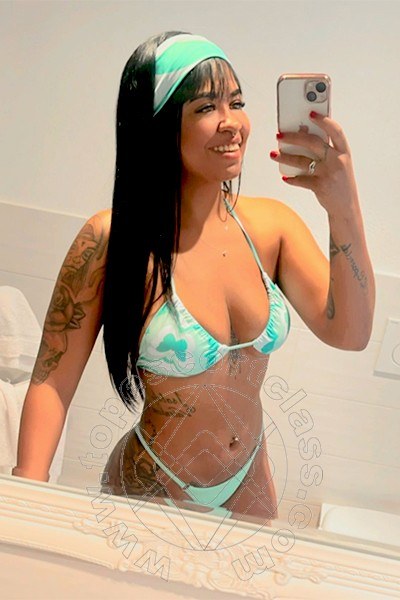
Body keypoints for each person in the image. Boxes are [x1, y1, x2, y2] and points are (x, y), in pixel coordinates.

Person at [12, 31, 375, 523]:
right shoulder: (111, 239)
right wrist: (23, 509)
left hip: (250, 480)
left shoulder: (273, 228)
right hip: (153, 482)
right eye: (207, 107)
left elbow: (351, 334)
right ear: (159, 124)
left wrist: (343, 206)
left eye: (237, 102)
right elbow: (52, 383)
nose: (233, 123)